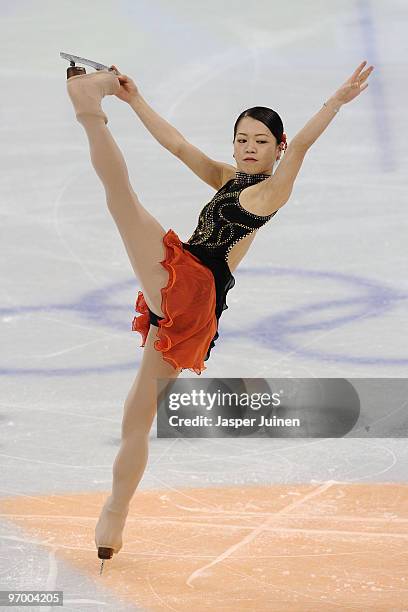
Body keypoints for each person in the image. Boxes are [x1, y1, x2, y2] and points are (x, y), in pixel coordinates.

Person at [65, 59, 374, 571]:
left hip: (191, 284)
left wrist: (334, 103)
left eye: (261, 141)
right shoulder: (230, 179)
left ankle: (86, 107)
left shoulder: (269, 191)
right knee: (136, 415)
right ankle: (113, 520)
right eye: (242, 139)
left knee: (122, 203)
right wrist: (134, 98)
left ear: (278, 147)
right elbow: (179, 145)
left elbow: (304, 147)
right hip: (185, 297)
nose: (249, 147)